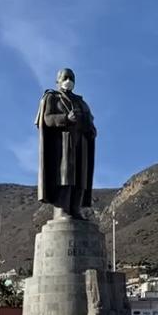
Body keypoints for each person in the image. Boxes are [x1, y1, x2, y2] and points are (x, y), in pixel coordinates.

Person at [35, 68, 97, 220]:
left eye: (71, 78)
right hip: (62, 144)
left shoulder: (81, 102)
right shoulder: (52, 97)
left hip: (80, 143)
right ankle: (62, 210)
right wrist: (66, 118)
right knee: (65, 177)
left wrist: (91, 129)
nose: (68, 81)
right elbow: (47, 119)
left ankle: (75, 209)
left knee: (80, 178)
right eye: (65, 77)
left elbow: (89, 121)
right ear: (58, 80)